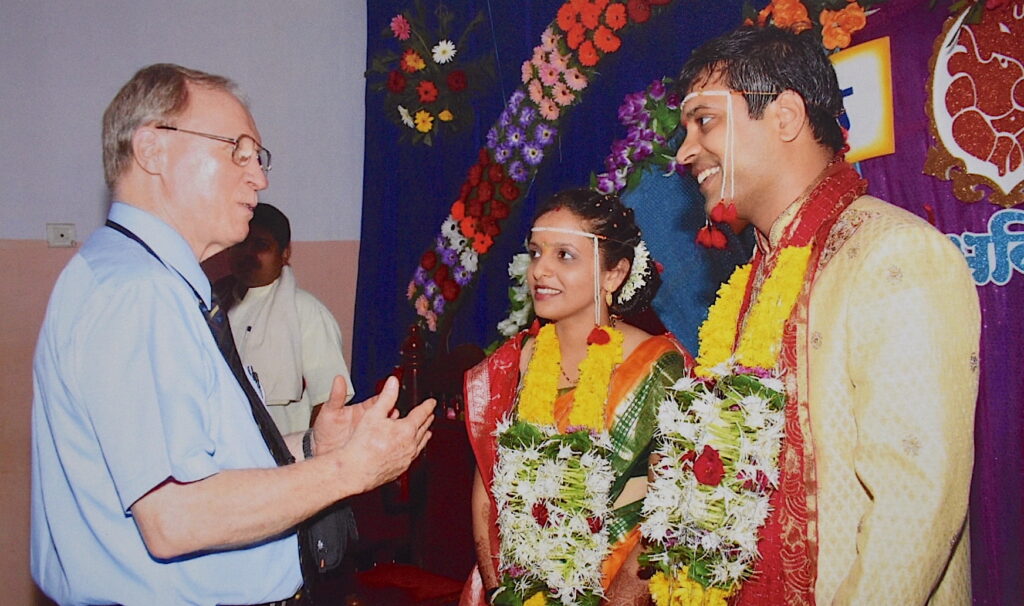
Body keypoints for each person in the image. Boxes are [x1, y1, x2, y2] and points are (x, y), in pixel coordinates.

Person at [30, 63, 434, 605]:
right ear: (153, 149)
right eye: (236, 151)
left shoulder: (140, 278)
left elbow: (201, 461)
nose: (259, 177)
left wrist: (313, 444)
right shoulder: (138, 293)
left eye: (258, 158)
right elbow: (176, 516)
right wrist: (348, 470)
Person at [671, 26, 980, 605]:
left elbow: (914, 507)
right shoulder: (749, 283)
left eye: (704, 121)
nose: (685, 151)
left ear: (785, 115)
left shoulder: (892, 253)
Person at [460, 188, 693, 605]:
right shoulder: (513, 364)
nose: (540, 271)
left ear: (613, 274)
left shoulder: (657, 367)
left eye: (564, 255)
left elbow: (670, 514)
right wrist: (498, 592)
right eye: (535, 253)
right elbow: (486, 490)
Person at [216, 202, 355, 435]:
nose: (248, 253)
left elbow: (328, 401)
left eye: (261, 245)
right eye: (241, 243)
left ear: (284, 253)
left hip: (283, 455)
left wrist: (311, 458)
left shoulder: (306, 313)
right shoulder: (214, 307)